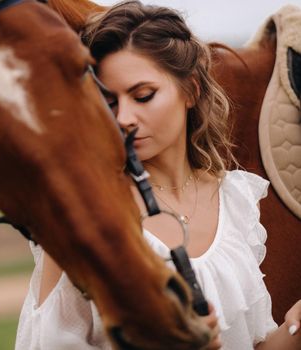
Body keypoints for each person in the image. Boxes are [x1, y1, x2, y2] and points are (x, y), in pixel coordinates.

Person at [15, 1, 301, 349]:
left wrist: (294, 329)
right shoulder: (83, 217)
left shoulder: (236, 199)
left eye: (143, 95)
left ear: (191, 90)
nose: (123, 119)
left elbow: (252, 343)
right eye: (109, 102)